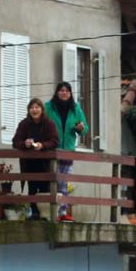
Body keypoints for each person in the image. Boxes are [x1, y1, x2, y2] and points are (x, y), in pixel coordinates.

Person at [44, 81, 89, 222]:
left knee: (64, 182)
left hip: (68, 150)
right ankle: (49, 212)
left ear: (70, 94)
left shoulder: (75, 109)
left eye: (67, 91)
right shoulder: (48, 107)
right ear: (57, 92)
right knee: (51, 181)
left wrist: (81, 128)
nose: (64, 93)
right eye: (61, 90)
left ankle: (62, 212)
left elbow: (85, 128)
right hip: (51, 150)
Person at [12, 97, 59, 220]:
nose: (34, 110)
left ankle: (45, 214)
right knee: (32, 188)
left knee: (44, 189)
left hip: (45, 163)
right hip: (29, 163)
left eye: (37, 107)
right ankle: (34, 213)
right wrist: (25, 144)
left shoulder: (49, 124)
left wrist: (43, 145)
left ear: (42, 109)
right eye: (32, 107)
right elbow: (15, 141)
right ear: (29, 110)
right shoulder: (24, 124)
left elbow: (55, 141)